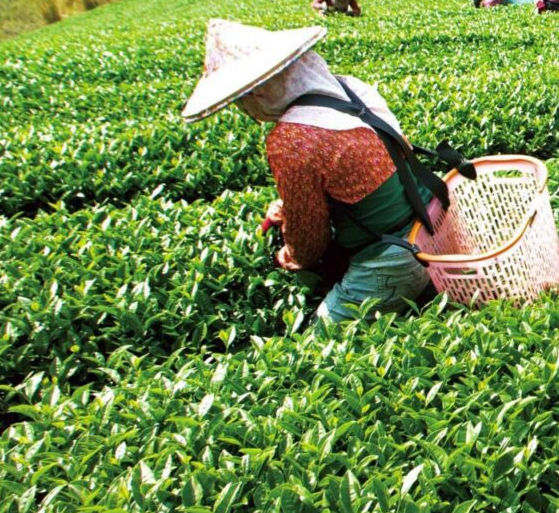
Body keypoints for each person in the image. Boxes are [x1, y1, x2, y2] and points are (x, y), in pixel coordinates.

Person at [182, 19, 457, 327]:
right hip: (439, 227)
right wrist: (291, 207)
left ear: (260, 93)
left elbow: (309, 244)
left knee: (318, 342)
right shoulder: (350, 90)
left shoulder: (292, 139)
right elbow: (371, 168)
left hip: (395, 259)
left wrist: (287, 256)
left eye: (242, 100)